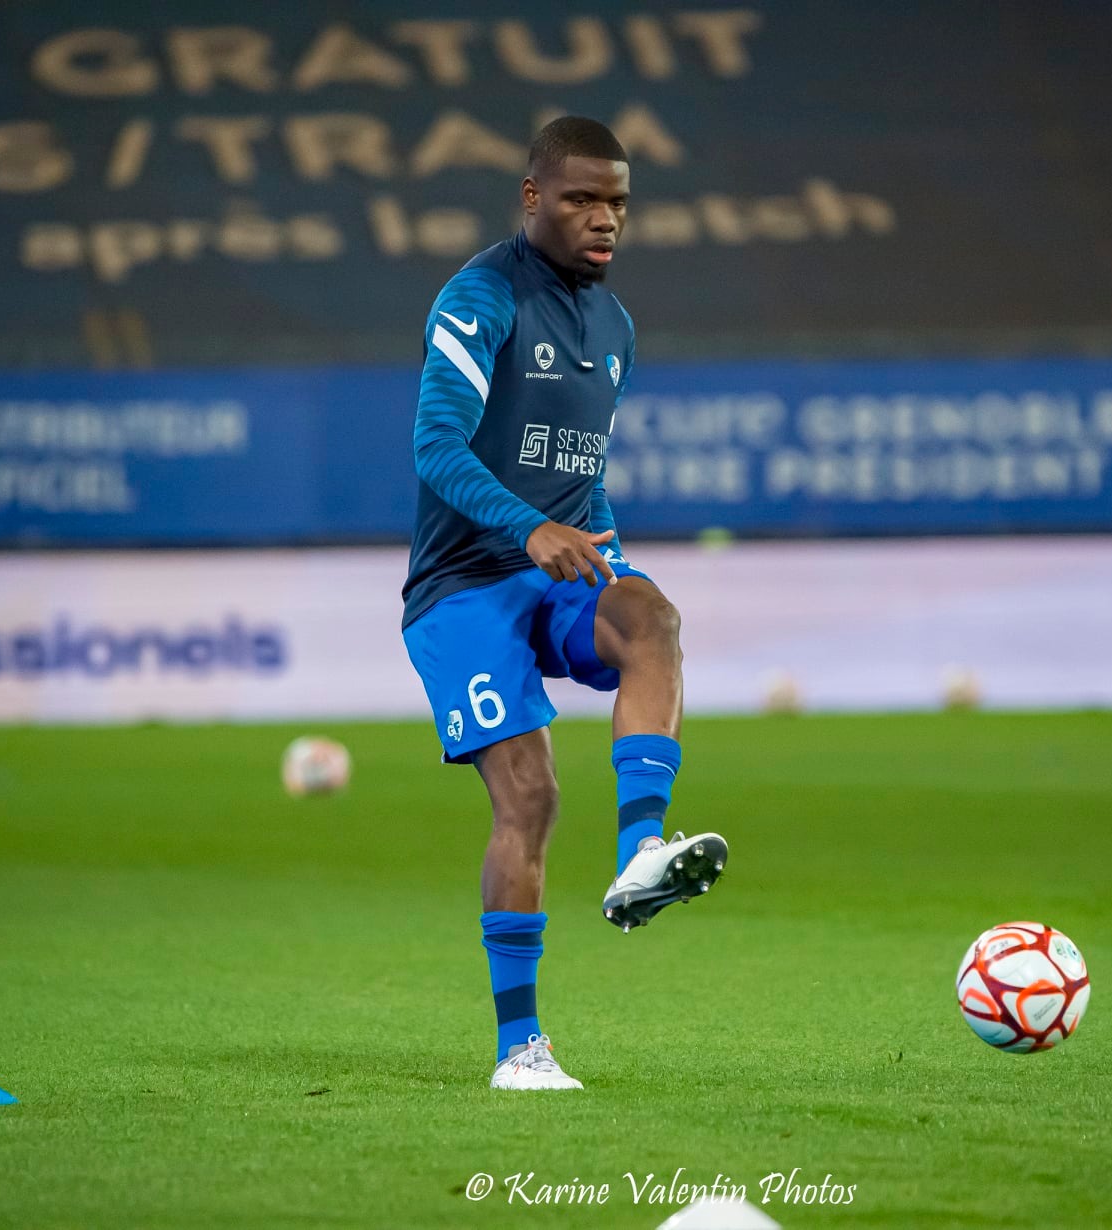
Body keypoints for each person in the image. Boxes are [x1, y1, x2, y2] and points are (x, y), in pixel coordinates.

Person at [400, 116, 729, 1091]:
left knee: (650, 616)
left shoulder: (615, 328)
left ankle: (641, 852)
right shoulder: (480, 297)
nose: (604, 218)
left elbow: (584, 483)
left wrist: (602, 553)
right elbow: (435, 446)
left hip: (555, 568)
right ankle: (520, 1049)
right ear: (533, 197)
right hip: (461, 586)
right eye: (582, 198)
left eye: (617, 202)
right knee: (531, 797)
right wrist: (527, 526)